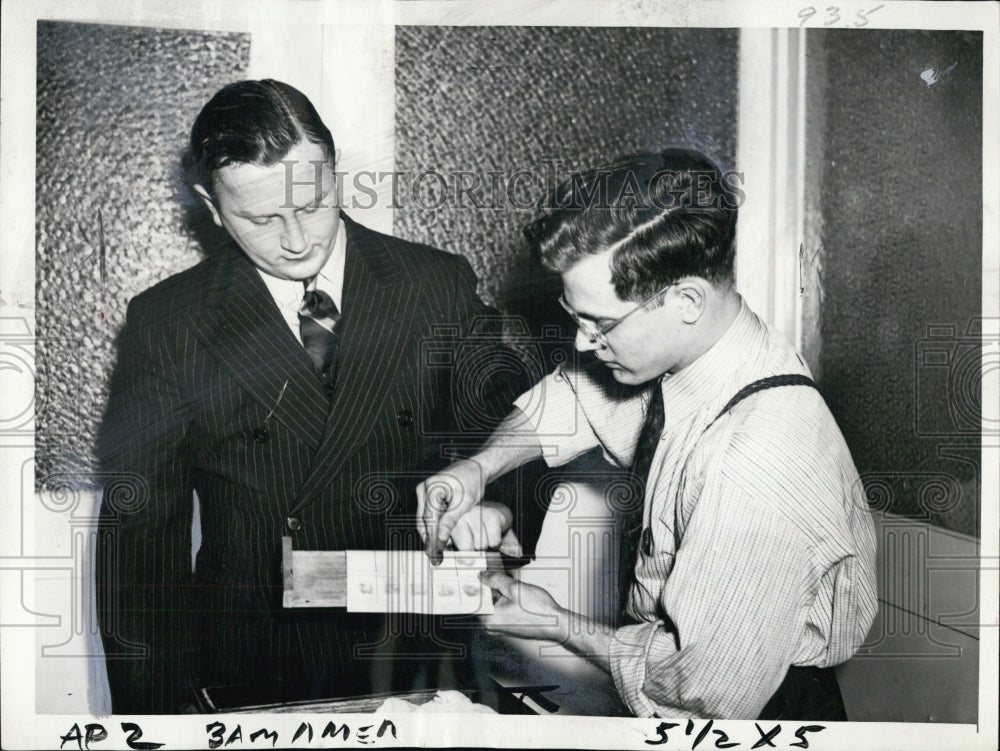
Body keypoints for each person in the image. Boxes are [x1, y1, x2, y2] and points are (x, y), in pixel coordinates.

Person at [95, 79, 525, 714]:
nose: (297, 240)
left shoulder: (434, 283)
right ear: (211, 206)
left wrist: (498, 504)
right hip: (249, 667)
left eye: (314, 203)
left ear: (335, 172)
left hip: (412, 655)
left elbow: (517, 423)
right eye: (261, 219)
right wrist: (156, 722)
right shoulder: (169, 321)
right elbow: (140, 544)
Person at [418, 148, 878, 720]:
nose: (583, 342)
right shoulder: (697, 352)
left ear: (687, 300)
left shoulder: (756, 456)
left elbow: (704, 691)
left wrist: (556, 623)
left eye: (601, 323)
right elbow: (573, 396)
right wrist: (479, 467)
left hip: (757, 718)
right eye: (575, 315)